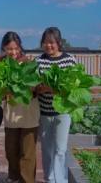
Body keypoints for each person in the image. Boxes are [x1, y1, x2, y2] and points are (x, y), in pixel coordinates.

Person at [35, 27, 77, 183]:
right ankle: (49, 179)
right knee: (47, 149)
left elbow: (74, 87)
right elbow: (34, 87)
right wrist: (43, 88)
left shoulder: (69, 60)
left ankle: (61, 180)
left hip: (63, 113)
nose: (48, 46)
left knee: (60, 149)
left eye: (51, 42)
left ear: (59, 43)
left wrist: (54, 88)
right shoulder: (39, 61)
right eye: (45, 42)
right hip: (44, 112)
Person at [1, 32, 39, 183]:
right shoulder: (2, 65)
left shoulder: (29, 64)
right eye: (9, 49)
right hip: (11, 113)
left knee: (27, 153)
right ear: (4, 48)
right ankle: (13, 177)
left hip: (28, 113)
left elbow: (36, 86)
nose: (13, 52)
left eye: (16, 48)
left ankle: (26, 180)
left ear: (20, 47)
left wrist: (26, 87)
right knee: (11, 151)